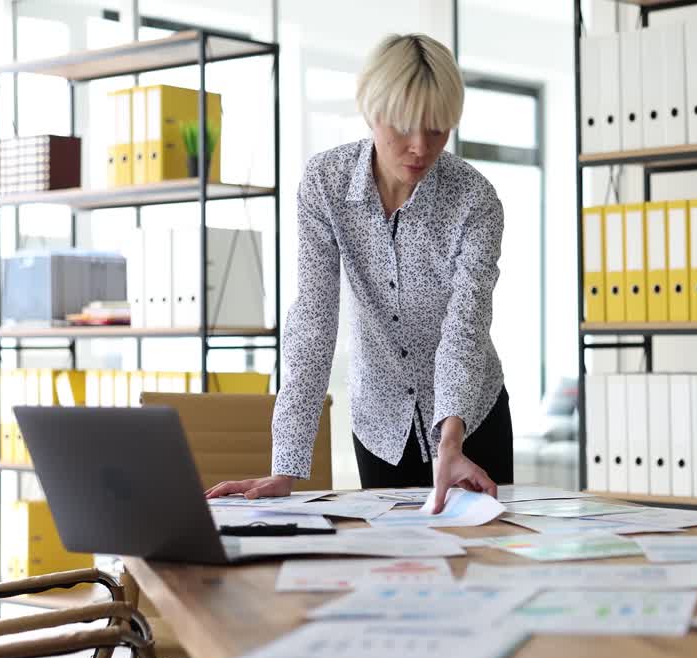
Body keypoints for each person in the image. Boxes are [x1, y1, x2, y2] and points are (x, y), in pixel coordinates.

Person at [205, 33, 512, 513]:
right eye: (405, 127)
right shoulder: (326, 184)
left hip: (469, 424)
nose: (419, 147)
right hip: (380, 425)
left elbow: (466, 328)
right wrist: (285, 469)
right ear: (370, 111)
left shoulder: (474, 200)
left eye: (436, 129)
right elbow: (313, 319)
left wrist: (451, 439)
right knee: (392, 571)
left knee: (477, 569)